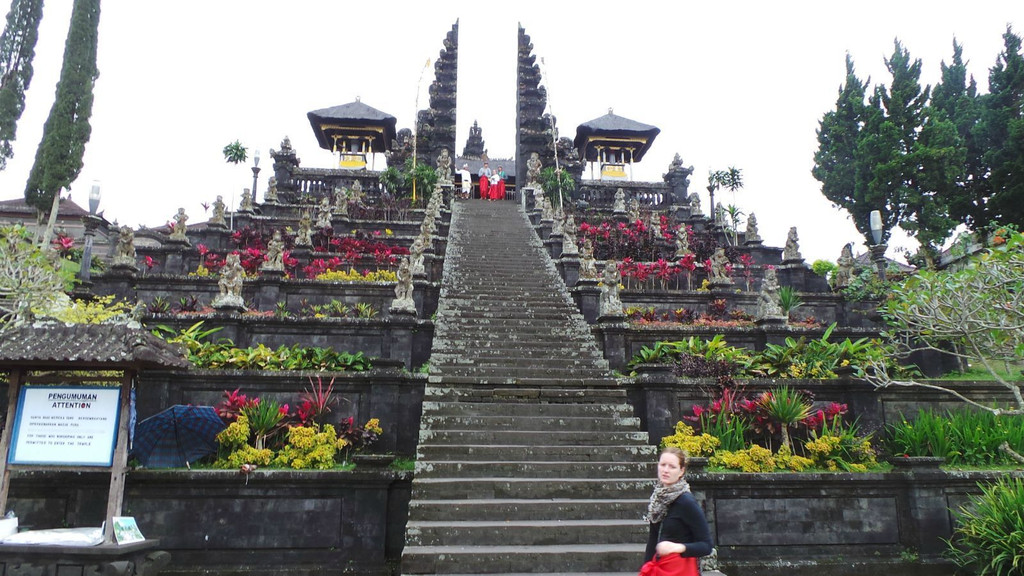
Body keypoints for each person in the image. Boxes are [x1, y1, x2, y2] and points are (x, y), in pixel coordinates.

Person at [640, 447, 713, 576]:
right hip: (660, 569)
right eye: (663, 465)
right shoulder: (658, 499)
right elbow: (653, 539)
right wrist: (646, 569)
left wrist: (677, 547)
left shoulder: (686, 502)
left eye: (672, 467)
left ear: (681, 471)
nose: (666, 470)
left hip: (679, 570)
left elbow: (706, 545)